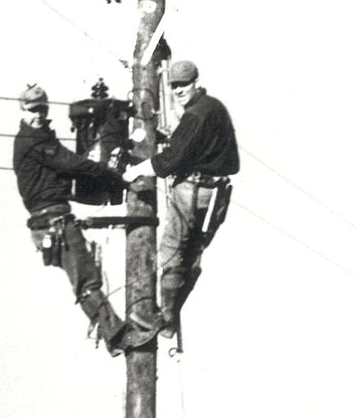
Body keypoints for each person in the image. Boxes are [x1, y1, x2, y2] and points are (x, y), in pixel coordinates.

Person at [12, 82, 159, 356]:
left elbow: (66, 169)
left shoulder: (40, 138)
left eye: (43, 109)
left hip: (51, 218)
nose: (40, 114)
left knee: (86, 277)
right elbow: (71, 164)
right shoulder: (34, 141)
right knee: (86, 280)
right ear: (23, 110)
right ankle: (116, 336)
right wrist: (113, 175)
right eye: (33, 110)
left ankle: (115, 334)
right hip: (52, 220)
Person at [122, 59, 239, 337]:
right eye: (174, 85)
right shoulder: (214, 107)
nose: (177, 90)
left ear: (195, 82)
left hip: (193, 192)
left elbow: (170, 161)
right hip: (217, 196)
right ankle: (171, 315)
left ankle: (164, 318)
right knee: (193, 256)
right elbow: (223, 158)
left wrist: (136, 170)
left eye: (183, 85)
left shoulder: (196, 115)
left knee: (174, 253)